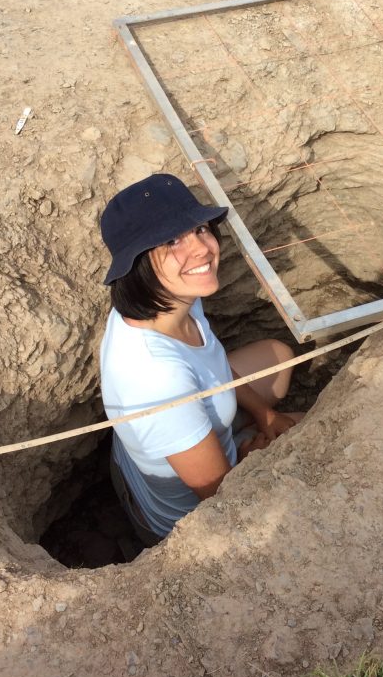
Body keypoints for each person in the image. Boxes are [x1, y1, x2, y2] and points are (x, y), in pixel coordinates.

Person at [99, 173, 303, 544]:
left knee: (280, 358)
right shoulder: (154, 376)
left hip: (159, 450)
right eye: (173, 240)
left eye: (200, 230)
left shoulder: (166, 299)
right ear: (138, 263)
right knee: (315, 435)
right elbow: (220, 495)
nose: (202, 249)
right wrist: (252, 458)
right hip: (181, 515)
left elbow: (213, 367)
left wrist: (265, 415)